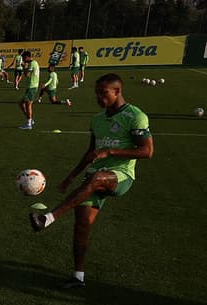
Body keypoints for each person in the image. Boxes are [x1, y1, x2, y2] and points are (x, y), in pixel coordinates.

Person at [29, 74, 153, 288]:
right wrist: (71, 177)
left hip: (121, 175)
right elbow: (90, 152)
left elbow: (147, 151)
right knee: (82, 225)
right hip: (93, 175)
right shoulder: (97, 119)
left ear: (117, 91)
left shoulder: (135, 116)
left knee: (97, 178)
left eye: (103, 93)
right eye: (97, 93)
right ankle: (78, 277)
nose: (98, 97)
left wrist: (110, 151)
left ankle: (48, 218)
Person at [18, 51, 40, 130]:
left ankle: (29, 124)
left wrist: (24, 67)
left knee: (28, 105)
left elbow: (27, 75)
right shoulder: (35, 63)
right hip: (32, 86)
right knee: (21, 103)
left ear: (27, 57)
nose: (23, 60)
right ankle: (30, 119)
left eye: (24, 58)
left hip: (32, 87)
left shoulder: (32, 63)